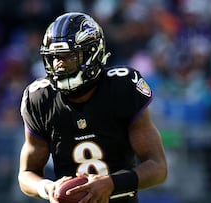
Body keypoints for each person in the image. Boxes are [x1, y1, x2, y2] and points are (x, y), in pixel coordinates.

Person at [18, 12, 168, 203]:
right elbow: (26, 173)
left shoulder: (122, 87)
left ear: (92, 54)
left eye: (68, 57)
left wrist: (112, 183)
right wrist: (49, 188)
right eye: (55, 57)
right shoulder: (40, 98)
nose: (59, 66)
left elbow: (157, 167)